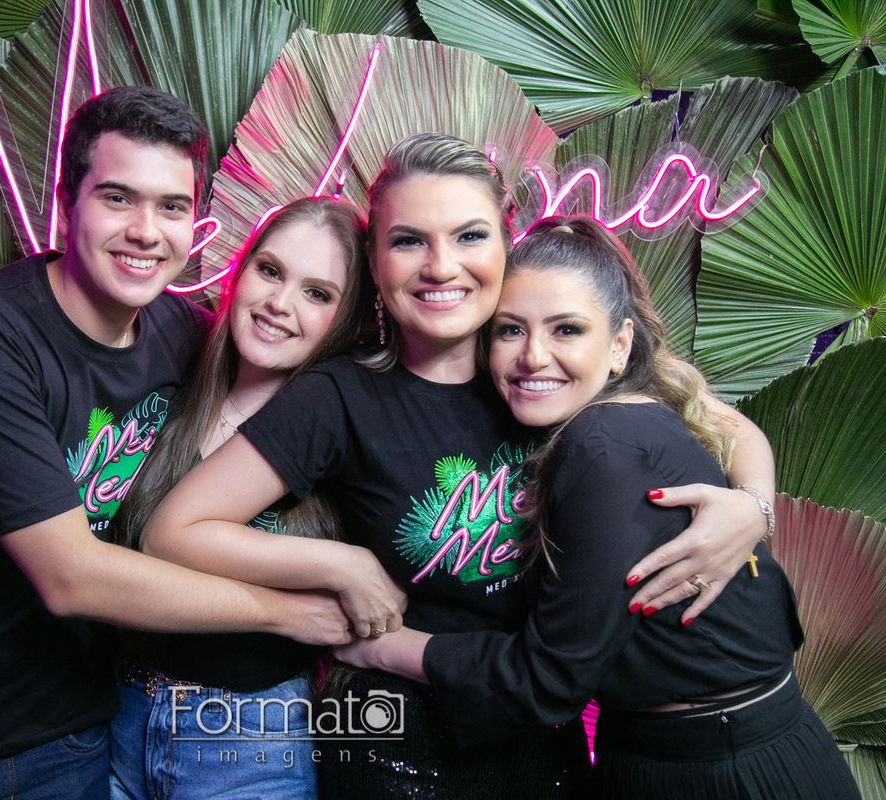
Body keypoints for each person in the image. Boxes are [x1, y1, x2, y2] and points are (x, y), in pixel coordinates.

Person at [142, 134, 778, 798]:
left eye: (469, 236)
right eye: (408, 241)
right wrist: (341, 566)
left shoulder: (543, 365)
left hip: (539, 733)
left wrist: (752, 507)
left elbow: (719, 423)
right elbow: (175, 532)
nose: (441, 267)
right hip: (393, 737)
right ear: (375, 260)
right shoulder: (338, 397)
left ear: (506, 242)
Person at [0, 87, 353, 800]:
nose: (146, 231)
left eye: (172, 207)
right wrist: (291, 612)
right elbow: (71, 577)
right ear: (67, 202)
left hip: (76, 733)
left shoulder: (184, 337)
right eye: (118, 198)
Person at [333, 216, 860, 799]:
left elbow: (548, 679)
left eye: (567, 329)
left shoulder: (601, 444)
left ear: (619, 345)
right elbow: (733, 426)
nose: (534, 356)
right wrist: (754, 505)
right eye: (510, 330)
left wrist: (380, 646)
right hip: (666, 749)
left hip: (722, 770)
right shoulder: (611, 409)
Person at [108, 196, 388, 800]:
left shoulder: (347, 429)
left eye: (318, 294)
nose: (280, 303)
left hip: (250, 738)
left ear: (348, 320)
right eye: (270, 270)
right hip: (116, 718)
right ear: (239, 272)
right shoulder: (167, 379)